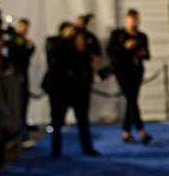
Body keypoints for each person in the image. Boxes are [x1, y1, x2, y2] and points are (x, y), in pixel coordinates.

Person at [42, 22, 99, 158]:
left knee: (83, 120)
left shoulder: (79, 47)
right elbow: (52, 56)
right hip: (59, 89)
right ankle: (56, 150)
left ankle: (87, 148)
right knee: (56, 121)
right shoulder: (54, 42)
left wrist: (80, 44)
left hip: (78, 88)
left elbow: (87, 61)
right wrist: (65, 39)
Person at [106, 9, 152, 144]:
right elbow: (110, 51)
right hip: (122, 71)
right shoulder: (118, 35)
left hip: (136, 71)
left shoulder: (142, 36)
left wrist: (141, 53)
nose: (134, 22)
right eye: (131, 19)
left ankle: (126, 132)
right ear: (126, 20)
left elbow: (148, 55)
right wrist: (125, 47)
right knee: (131, 99)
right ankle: (141, 130)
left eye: (136, 19)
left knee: (131, 101)